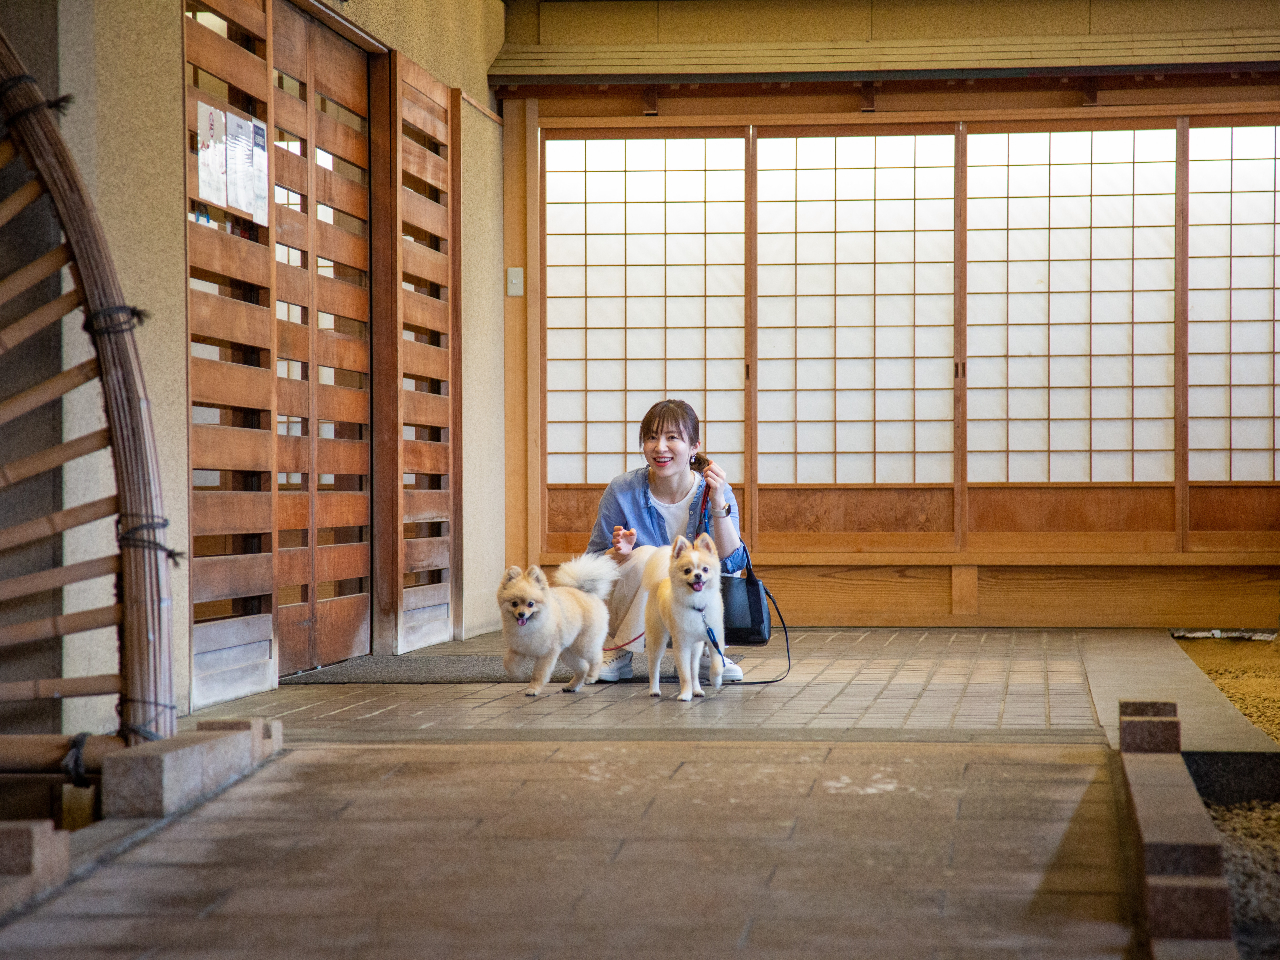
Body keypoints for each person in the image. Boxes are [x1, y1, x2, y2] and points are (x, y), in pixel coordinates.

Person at [586, 399, 747, 682]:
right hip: (644, 607)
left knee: (709, 563)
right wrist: (618, 553)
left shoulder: (716, 489)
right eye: (651, 438)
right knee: (651, 556)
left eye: (672, 437)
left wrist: (719, 503)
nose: (660, 447)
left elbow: (733, 561)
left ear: (694, 446)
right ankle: (620, 651)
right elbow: (592, 564)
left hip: (693, 598)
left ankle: (704, 649)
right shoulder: (622, 490)